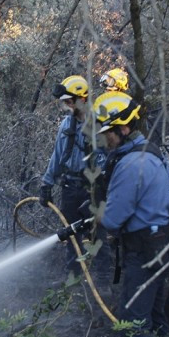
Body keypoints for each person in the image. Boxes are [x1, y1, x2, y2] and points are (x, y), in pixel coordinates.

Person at [92, 90, 169, 337]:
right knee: (153, 316)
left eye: (108, 132)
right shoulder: (150, 152)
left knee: (131, 322)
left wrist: (99, 216)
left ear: (123, 128)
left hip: (143, 252)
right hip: (160, 244)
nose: (105, 139)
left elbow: (113, 219)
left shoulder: (129, 165)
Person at [39, 75, 108, 278]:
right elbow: (57, 157)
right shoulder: (66, 126)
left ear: (82, 99)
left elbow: (108, 158)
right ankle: (73, 278)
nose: (67, 106)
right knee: (70, 235)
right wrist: (47, 184)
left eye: (69, 101)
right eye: (65, 102)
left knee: (98, 234)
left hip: (93, 190)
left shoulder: (100, 124)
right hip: (70, 188)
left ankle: (103, 280)